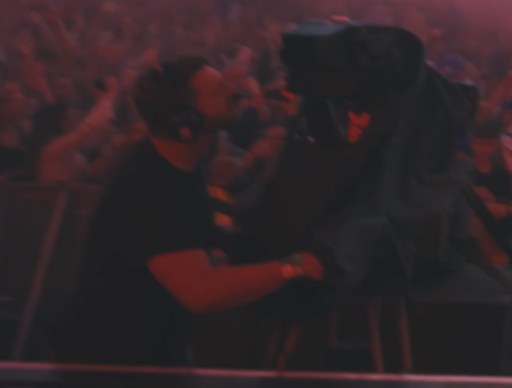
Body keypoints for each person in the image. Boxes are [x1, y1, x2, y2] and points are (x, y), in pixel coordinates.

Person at [50, 57, 323, 365]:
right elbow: (200, 291)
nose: (234, 93)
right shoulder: (153, 185)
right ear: (185, 119)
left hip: (145, 355)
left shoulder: (182, 167)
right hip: (109, 364)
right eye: (220, 91)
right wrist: (294, 266)